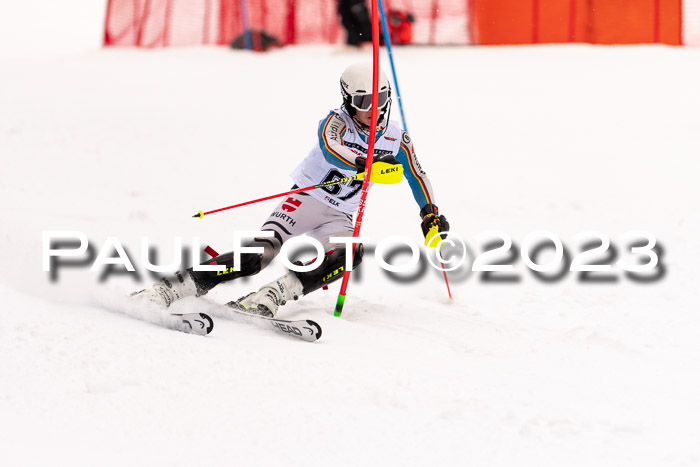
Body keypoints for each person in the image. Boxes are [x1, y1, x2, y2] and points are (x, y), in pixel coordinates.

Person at [131, 63, 449, 317]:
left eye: (380, 100)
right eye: (363, 102)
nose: (373, 109)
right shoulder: (335, 122)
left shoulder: (396, 138)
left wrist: (429, 215)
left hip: (339, 217)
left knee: (350, 254)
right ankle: (170, 289)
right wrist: (365, 160)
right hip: (305, 201)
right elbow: (330, 148)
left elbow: (416, 175)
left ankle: (270, 295)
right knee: (258, 256)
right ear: (347, 101)